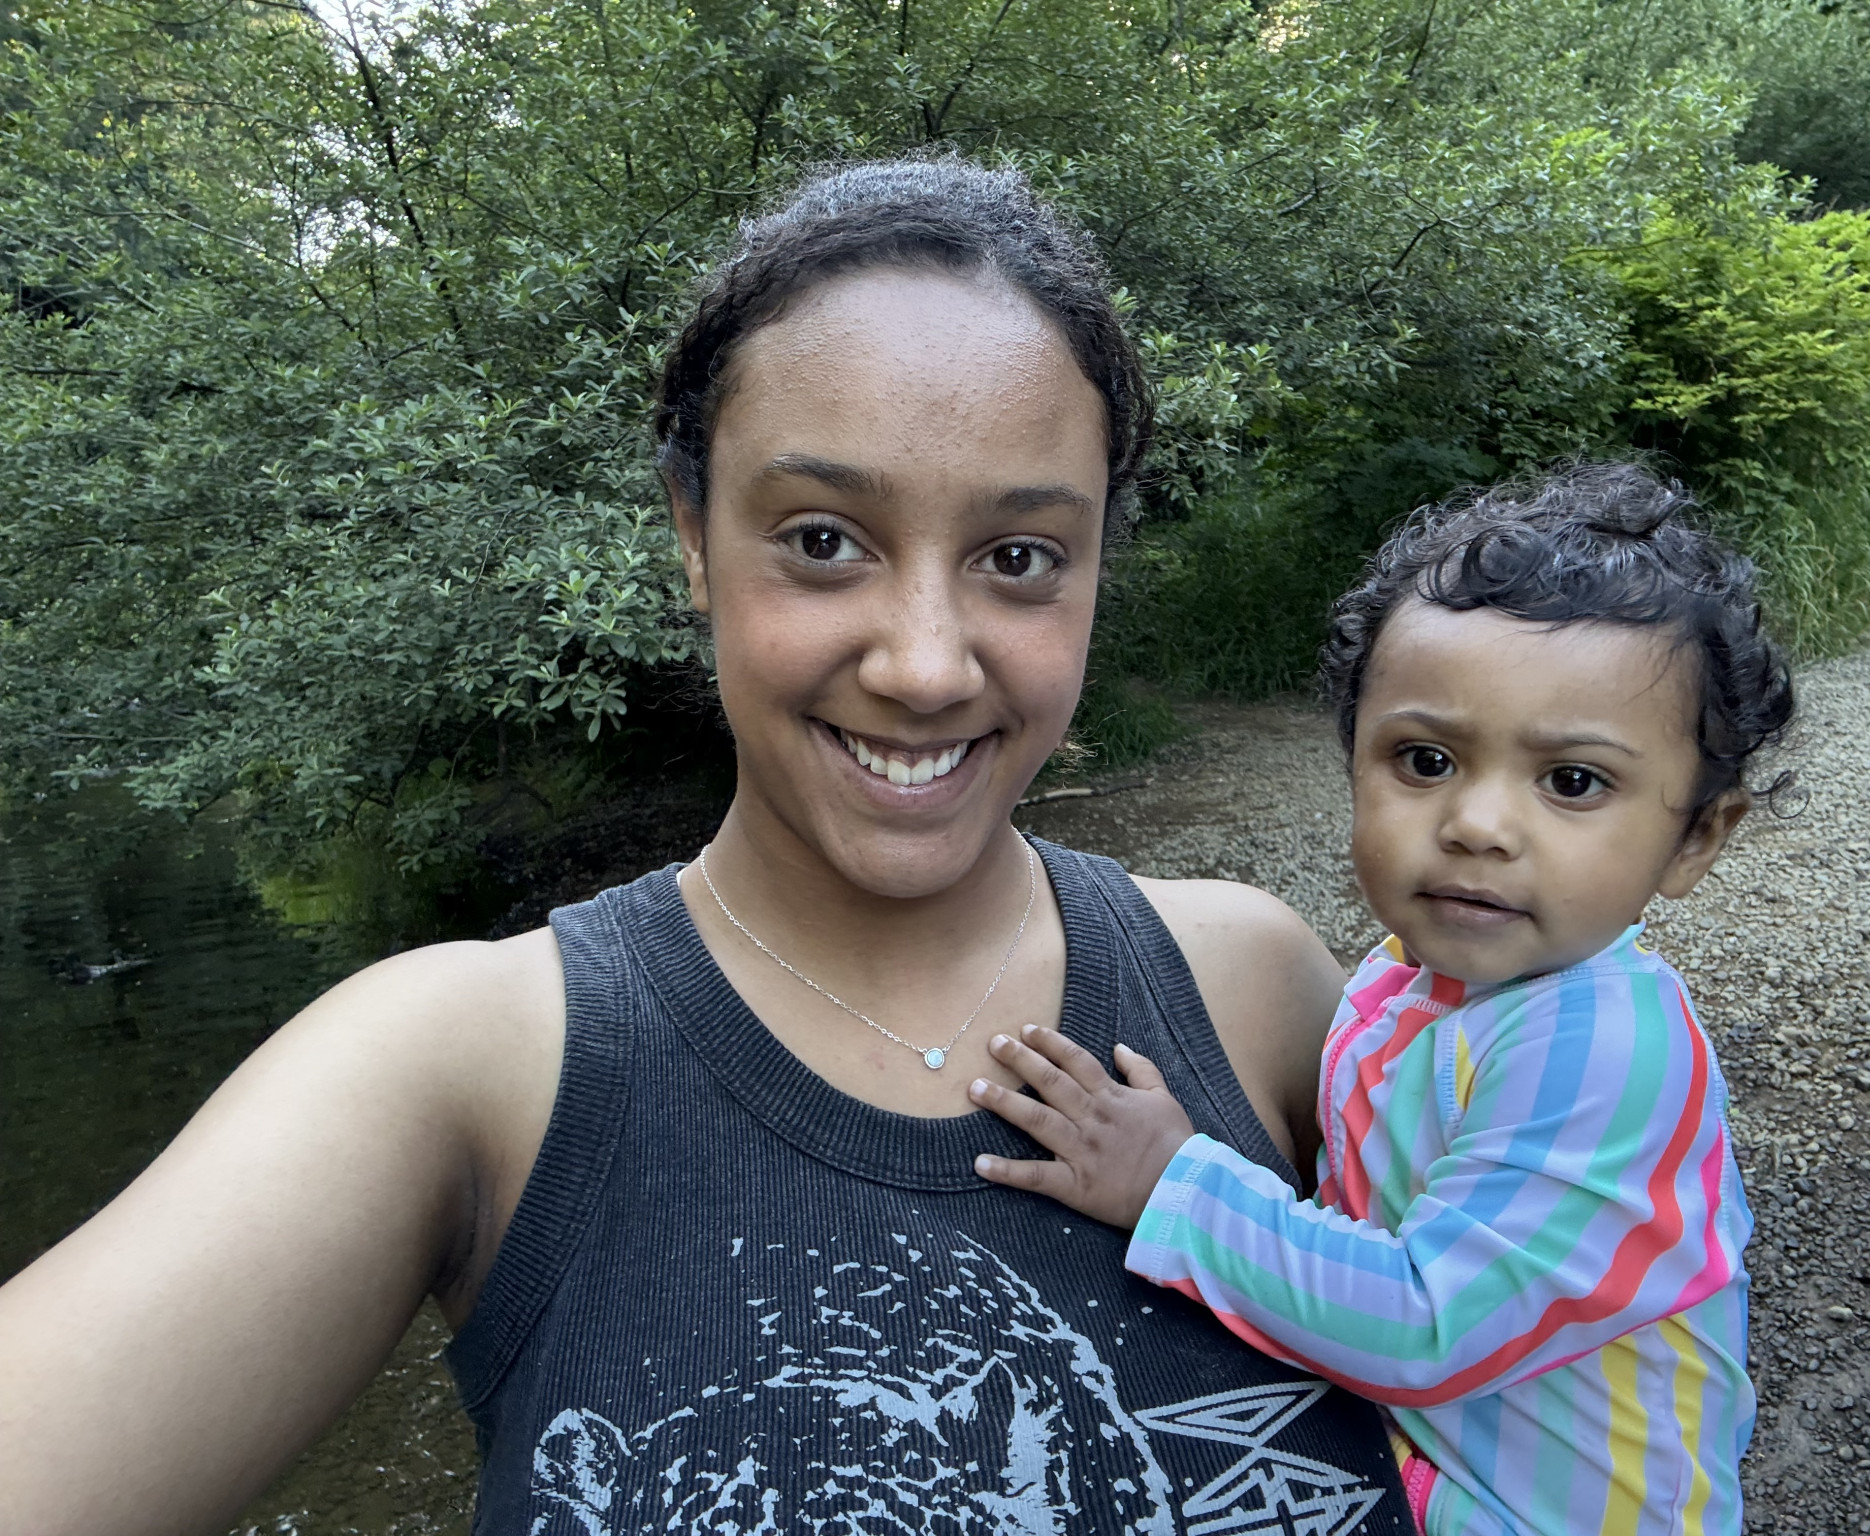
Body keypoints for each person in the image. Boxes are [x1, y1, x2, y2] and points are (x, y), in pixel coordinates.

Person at [0, 159, 1419, 1535]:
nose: (926, 664)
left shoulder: (1258, 991)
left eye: (1019, 558)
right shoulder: (465, 1070)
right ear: (692, 535)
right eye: (823, 540)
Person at [971, 465, 1795, 1535]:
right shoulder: (1406, 978)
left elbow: (1426, 1325)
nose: (1477, 825)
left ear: (1695, 836)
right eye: (1425, 759)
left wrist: (1173, 1182)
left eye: (1571, 781)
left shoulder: (1604, 1048)